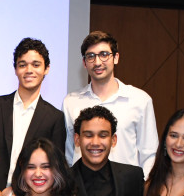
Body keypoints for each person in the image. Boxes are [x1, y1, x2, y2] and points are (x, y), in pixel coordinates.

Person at [62, 30, 158, 178]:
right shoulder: (71, 102)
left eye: (104, 54)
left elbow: (149, 153)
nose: (98, 62)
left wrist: (140, 188)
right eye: (91, 56)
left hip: (125, 191)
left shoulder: (140, 100)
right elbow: (68, 155)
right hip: (81, 190)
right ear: (84, 63)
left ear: (116, 58)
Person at [0, 37, 66, 190]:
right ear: (15, 69)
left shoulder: (54, 117)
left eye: (36, 65)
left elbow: (55, 166)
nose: (29, 70)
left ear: (46, 69)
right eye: (22, 65)